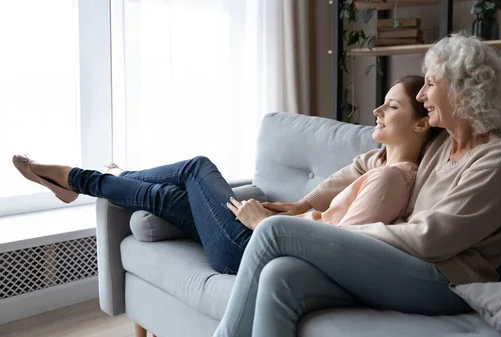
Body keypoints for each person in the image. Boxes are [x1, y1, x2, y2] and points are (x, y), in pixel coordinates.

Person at [212, 33, 501, 337]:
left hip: (447, 282)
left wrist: (345, 234)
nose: (421, 95)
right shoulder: (441, 143)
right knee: (280, 276)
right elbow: (367, 163)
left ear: (461, 91)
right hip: (405, 264)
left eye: (430, 84)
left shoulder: (496, 161)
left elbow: (430, 239)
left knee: (273, 230)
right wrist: (304, 205)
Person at [12, 76, 437, 276]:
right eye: (382, 103)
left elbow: (343, 248)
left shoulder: (391, 180)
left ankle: (77, 178)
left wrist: (266, 222)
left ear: (421, 125)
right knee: (163, 197)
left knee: (197, 166)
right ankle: (81, 183)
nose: (378, 111)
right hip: (268, 236)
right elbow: (347, 173)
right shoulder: (377, 162)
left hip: (261, 248)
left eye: (392, 107)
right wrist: (302, 204)